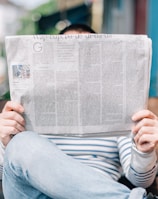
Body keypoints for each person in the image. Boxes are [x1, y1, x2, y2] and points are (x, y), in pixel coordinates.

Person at [0, 24, 158, 199]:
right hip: (36, 194)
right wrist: (4, 144)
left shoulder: (120, 111)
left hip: (97, 194)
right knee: (21, 143)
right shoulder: (23, 109)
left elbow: (140, 181)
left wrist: (144, 151)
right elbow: (5, 175)